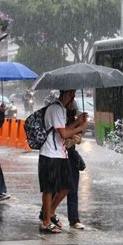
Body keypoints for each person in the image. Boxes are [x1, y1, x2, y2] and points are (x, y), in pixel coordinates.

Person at [38, 89, 89, 233]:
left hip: (61, 154)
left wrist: (78, 122)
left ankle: (51, 212)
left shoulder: (61, 109)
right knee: (49, 189)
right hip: (50, 154)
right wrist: (81, 126)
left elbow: (65, 129)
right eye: (72, 94)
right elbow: (63, 133)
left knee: (67, 186)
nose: (73, 97)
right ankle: (46, 221)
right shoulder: (55, 108)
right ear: (66, 94)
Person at [65, 99, 87, 230]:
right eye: (71, 98)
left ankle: (74, 219)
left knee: (73, 189)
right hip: (59, 157)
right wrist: (78, 126)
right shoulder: (59, 116)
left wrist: (77, 138)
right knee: (58, 190)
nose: (73, 101)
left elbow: (77, 140)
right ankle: (46, 214)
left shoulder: (74, 118)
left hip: (71, 157)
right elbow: (63, 135)